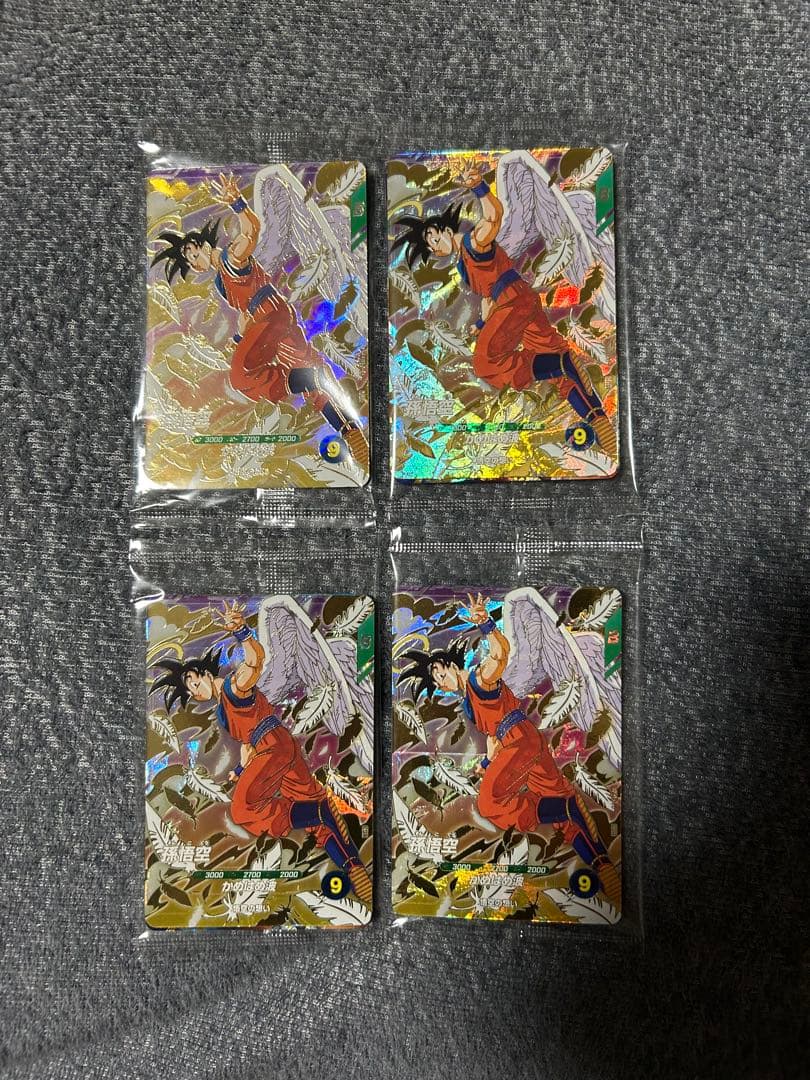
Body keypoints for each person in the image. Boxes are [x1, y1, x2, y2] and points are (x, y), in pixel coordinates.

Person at [399, 593, 620, 908]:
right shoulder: (470, 700)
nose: (441, 684)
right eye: (437, 683)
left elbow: (500, 654)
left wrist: (486, 623)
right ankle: (603, 865)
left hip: (520, 743)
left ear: (450, 665)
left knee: (490, 803)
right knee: (563, 816)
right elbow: (493, 740)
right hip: (522, 743)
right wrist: (487, 763)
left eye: (440, 675)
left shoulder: (479, 679)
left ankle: (566, 810)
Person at [152, 601, 372, 904]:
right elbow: (247, 744)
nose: (194, 690)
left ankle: (322, 812)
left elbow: (255, 662)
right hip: (277, 748)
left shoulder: (233, 687)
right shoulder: (223, 708)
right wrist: (240, 770)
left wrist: (242, 631)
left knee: (243, 809)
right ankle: (353, 867)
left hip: (274, 748)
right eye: (189, 691)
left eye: (193, 681)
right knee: (315, 822)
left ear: (204, 673)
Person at [391, 168, 617, 459]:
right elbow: (488, 297)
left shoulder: (474, 242)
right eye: (430, 247)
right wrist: (481, 323)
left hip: (514, 301)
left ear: (445, 229)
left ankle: (562, 363)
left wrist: (479, 187)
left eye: (433, 238)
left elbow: (493, 217)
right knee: (561, 379)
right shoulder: (463, 264)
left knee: (486, 363)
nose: (434, 247)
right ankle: (598, 420)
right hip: (516, 304)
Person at [152, 173, 369, 470]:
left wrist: (237, 203)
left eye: (192, 254)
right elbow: (244, 314)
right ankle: (349, 430)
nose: (193, 263)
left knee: (241, 375)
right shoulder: (221, 280)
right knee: (311, 378)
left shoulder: (231, 258)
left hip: (270, 316)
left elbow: (251, 230)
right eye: (189, 262)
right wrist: (242, 335)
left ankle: (306, 381)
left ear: (202, 245)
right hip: (272, 320)